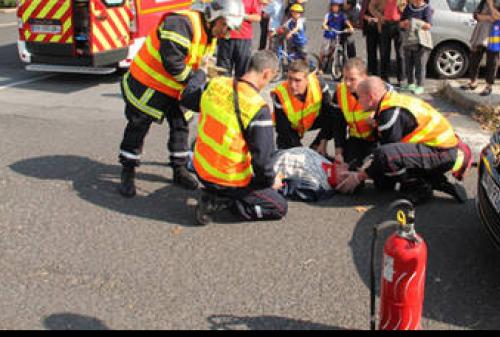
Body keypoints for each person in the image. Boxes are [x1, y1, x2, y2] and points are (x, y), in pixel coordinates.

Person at [117, 0, 236, 198]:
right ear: (214, 17)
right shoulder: (181, 24)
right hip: (150, 83)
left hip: (176, 88)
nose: (226, 32)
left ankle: (179, 169)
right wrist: (198, 78)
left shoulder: (209, 33)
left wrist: (209, 74)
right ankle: (127, 170)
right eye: (225, 25)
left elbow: (196, 60)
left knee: (181, 126)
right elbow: (174, 64)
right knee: (138, 126)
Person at [180, 50, 287, 224]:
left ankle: (215, 193)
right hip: (228, 179)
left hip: (201, 168)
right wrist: (269, 182)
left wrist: (201, 72)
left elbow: (187, 98)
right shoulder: (257, 108)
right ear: (266, 74)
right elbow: (262, 162)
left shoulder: (216, 84)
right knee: (279, 207)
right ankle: (222, 202)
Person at [335, 76, 472, 205]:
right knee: (383, 179)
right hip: (438, 149)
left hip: (442, 152)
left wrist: (359, 176)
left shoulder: (389, 114)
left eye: (359, 97)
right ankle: (434, 179)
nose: (358, 102)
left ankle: (422, 187)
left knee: (385, 160)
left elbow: (386, 156)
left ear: (371, 97)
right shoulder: (390, 101)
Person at [271, 59, 336, 157]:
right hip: (291, 128)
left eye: (297, 80)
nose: (292, 85)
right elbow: (283, 130)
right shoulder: (280, 94)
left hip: (312, 120)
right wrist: (302, 152)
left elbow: (329, 115)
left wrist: (323, 142)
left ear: (307, 79)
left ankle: (316, 147)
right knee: (287, 151)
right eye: (289, 78)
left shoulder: (320, 85)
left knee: (334, 116)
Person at [329, 58, 378, 170]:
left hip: (376, 140)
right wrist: (338, 152)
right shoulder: (340, 91)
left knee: (378, 176)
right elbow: (338, 125)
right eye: (345, 78)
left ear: (365, 78)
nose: (347, 83)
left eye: (352, 79)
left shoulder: (377, 91)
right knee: (347, 174)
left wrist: (377, 121)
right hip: (355, 139)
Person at [461, 0, 500, 97]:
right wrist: (487, 17)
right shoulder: (483, 1)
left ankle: (488, 85)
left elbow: (498, 17)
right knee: (474, 58)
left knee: (492, 60)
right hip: (480, 32)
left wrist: (491, 5)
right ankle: (473, 82)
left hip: (493, 33)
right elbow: (475, 15)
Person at [216, 0, 262, 78]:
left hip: (243, 38)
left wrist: (242, 16)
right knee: (222, 71)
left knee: (242, 72)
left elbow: (257, 17)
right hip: (225, 37)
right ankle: (225, 89)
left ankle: (239, 89)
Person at [399, 0, 433, 95]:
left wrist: (415, 23)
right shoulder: (408, 7)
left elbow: (429, 25)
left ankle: (420, 85)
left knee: (420, 65)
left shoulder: (426, 8)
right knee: (408, 64)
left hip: (421, 42)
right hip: (408, 40)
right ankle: (410, 83)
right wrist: (405, 23)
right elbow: (401, 23)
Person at [370, 0, 407, 87]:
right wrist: (379, 16)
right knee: (384, 53)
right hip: (385, 24)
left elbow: (411, 6)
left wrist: (406, 18)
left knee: (400, 53)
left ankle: (401, 78)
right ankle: (384, 77)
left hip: (399, 25)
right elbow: (371, 6)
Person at [320, 0, 355, 69]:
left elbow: (346, 21)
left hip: (336, 35)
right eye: (334, 6)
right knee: (324, 51)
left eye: (337, 6)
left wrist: (350, 27)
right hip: (329, 35)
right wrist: (325, 26)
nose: (335, 8)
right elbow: (324, 23)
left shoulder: (342, 15)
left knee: (335, 48)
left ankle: (336, 62)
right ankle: (319, 66)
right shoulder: (328, 15)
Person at [361, 0, 381, 76]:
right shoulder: (366, 1)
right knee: (371, 51)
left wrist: (379, 18)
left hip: (382, 27)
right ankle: (372, 71)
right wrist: (368, 18)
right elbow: (362, 13)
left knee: (384, 52)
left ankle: (383, 72)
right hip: (370, 28)